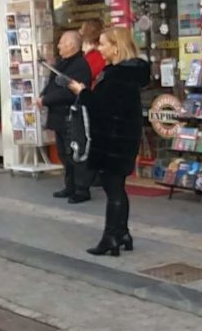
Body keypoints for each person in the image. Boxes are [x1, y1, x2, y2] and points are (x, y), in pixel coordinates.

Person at [68, 28, 149, 256]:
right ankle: (122, 232)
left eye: (103, 44)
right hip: (124, 136)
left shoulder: (116, 75)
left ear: (116, 47)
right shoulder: (132, 72)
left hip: (112, 138)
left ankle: (110, 237)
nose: (99, 49)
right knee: (117, 187)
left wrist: (82, 92)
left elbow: (102, 108)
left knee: (112, 188)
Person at [40, 31, 93, 204]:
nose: (58, 46)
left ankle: (81, 189)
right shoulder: (62, 64)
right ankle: (70, 185)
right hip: (59, 116)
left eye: (62, 43)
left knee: (75, 152)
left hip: (71, 116)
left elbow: (69, 92)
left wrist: (46, 99)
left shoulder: (79, 65)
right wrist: (43, 96)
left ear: (71, 45)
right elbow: (52, 85)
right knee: (63, 153)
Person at [80, 19, 106, 87]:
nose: (80, 32)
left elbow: (86, 74)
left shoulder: (96, 54)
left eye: (82, 29)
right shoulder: (94, 52)